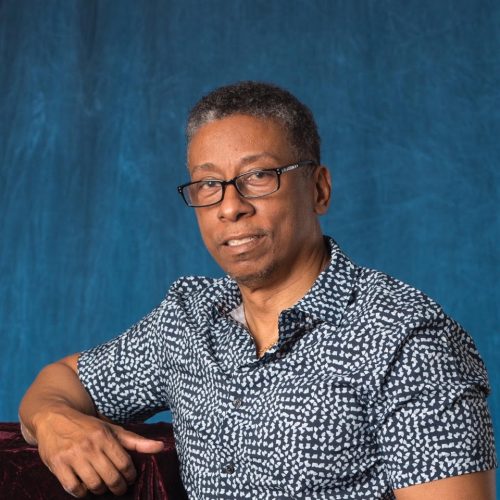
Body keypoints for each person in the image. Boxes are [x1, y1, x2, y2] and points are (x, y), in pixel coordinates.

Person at [20, 81, 496, 499]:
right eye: (209, 184)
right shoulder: (187, 321)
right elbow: (61, 379)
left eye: (258, 177)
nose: (230, 207)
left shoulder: (407, 338)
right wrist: (52, 419)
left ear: (319, 189)